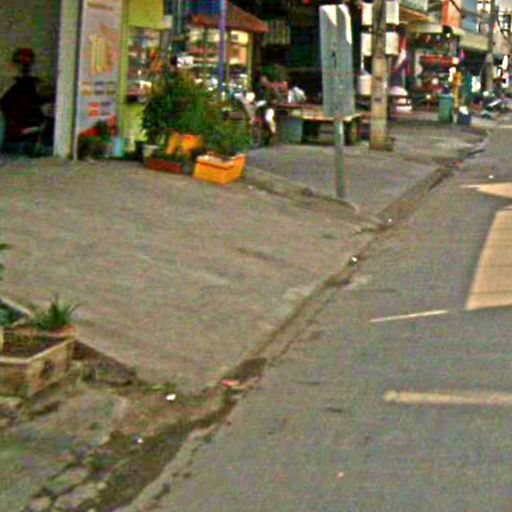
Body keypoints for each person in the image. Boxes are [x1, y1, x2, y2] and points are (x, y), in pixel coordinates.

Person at [0, 49, 45, 148]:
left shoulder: (35, 82)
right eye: (20, 61)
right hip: (13, 121)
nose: (24, 64)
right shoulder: (9, 82)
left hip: (30, 120)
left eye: (27, 61)